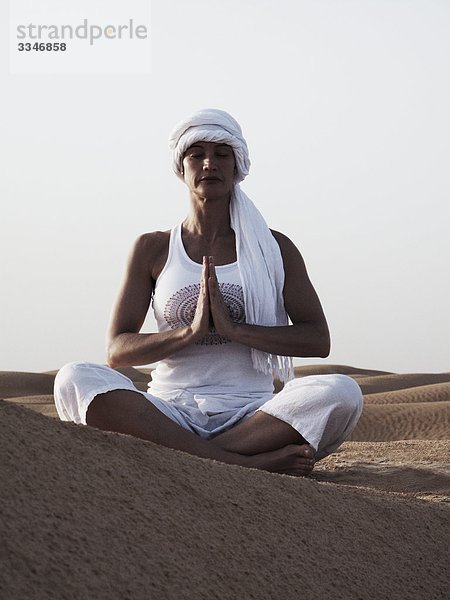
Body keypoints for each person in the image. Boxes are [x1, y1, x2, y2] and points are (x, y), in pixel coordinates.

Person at [54, 108, 363, 476]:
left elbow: (317, 339)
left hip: (252, 417)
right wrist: (190, 332)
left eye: (221, 154)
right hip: (169, 411)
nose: (208, 164)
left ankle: (183, 457)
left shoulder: (274, 248)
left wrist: (236, 331)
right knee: (74, 378)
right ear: (181, 167)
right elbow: (117, 350)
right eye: (196, 154)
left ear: (237, 166)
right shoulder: (152, 248)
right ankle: (240, 464)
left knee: (342, 393)